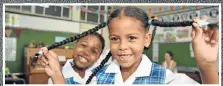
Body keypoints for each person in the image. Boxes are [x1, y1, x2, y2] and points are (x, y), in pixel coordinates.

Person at [41, 6, 219, 84]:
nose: (122, 46)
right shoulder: (98, 76)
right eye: (115, 38)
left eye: (132, 38)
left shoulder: (165, 78)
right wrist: (56, 73)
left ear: (147, 39)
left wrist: (207, 65)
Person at [38, 32, 107, 84]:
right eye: (83, 45)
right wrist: (36, 56)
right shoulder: (54, 78)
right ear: (75, 46)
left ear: (99, 57)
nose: (86, 52)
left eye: (94, 51)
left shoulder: (104, 73)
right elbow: (36, 55)